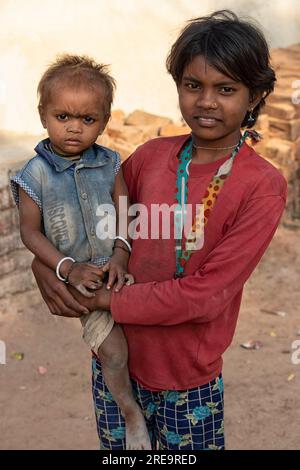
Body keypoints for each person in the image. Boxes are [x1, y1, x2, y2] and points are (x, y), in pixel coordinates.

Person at [31, 11, 287, 450]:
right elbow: (88, 217)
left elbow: (206, 295)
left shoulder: (262, 186)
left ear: (255, 94)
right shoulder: (150, 157)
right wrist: (46, 266)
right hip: (116, 358)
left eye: (226, 89)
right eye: (193, 86)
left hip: (187, 376)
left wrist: (104, 298)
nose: (206, 102)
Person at [10, 54, 151, 450]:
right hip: (80, 284)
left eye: (88, 120)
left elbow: (125, 211)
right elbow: (29, 233)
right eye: (63, 117)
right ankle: (129, 412)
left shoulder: (109, 163)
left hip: (119, 271)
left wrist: (122, 253)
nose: (74, 128)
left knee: (146, 342)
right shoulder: (33, 174)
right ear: (43, 115)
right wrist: (67, 269)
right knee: (115, 353)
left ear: (104, 121)